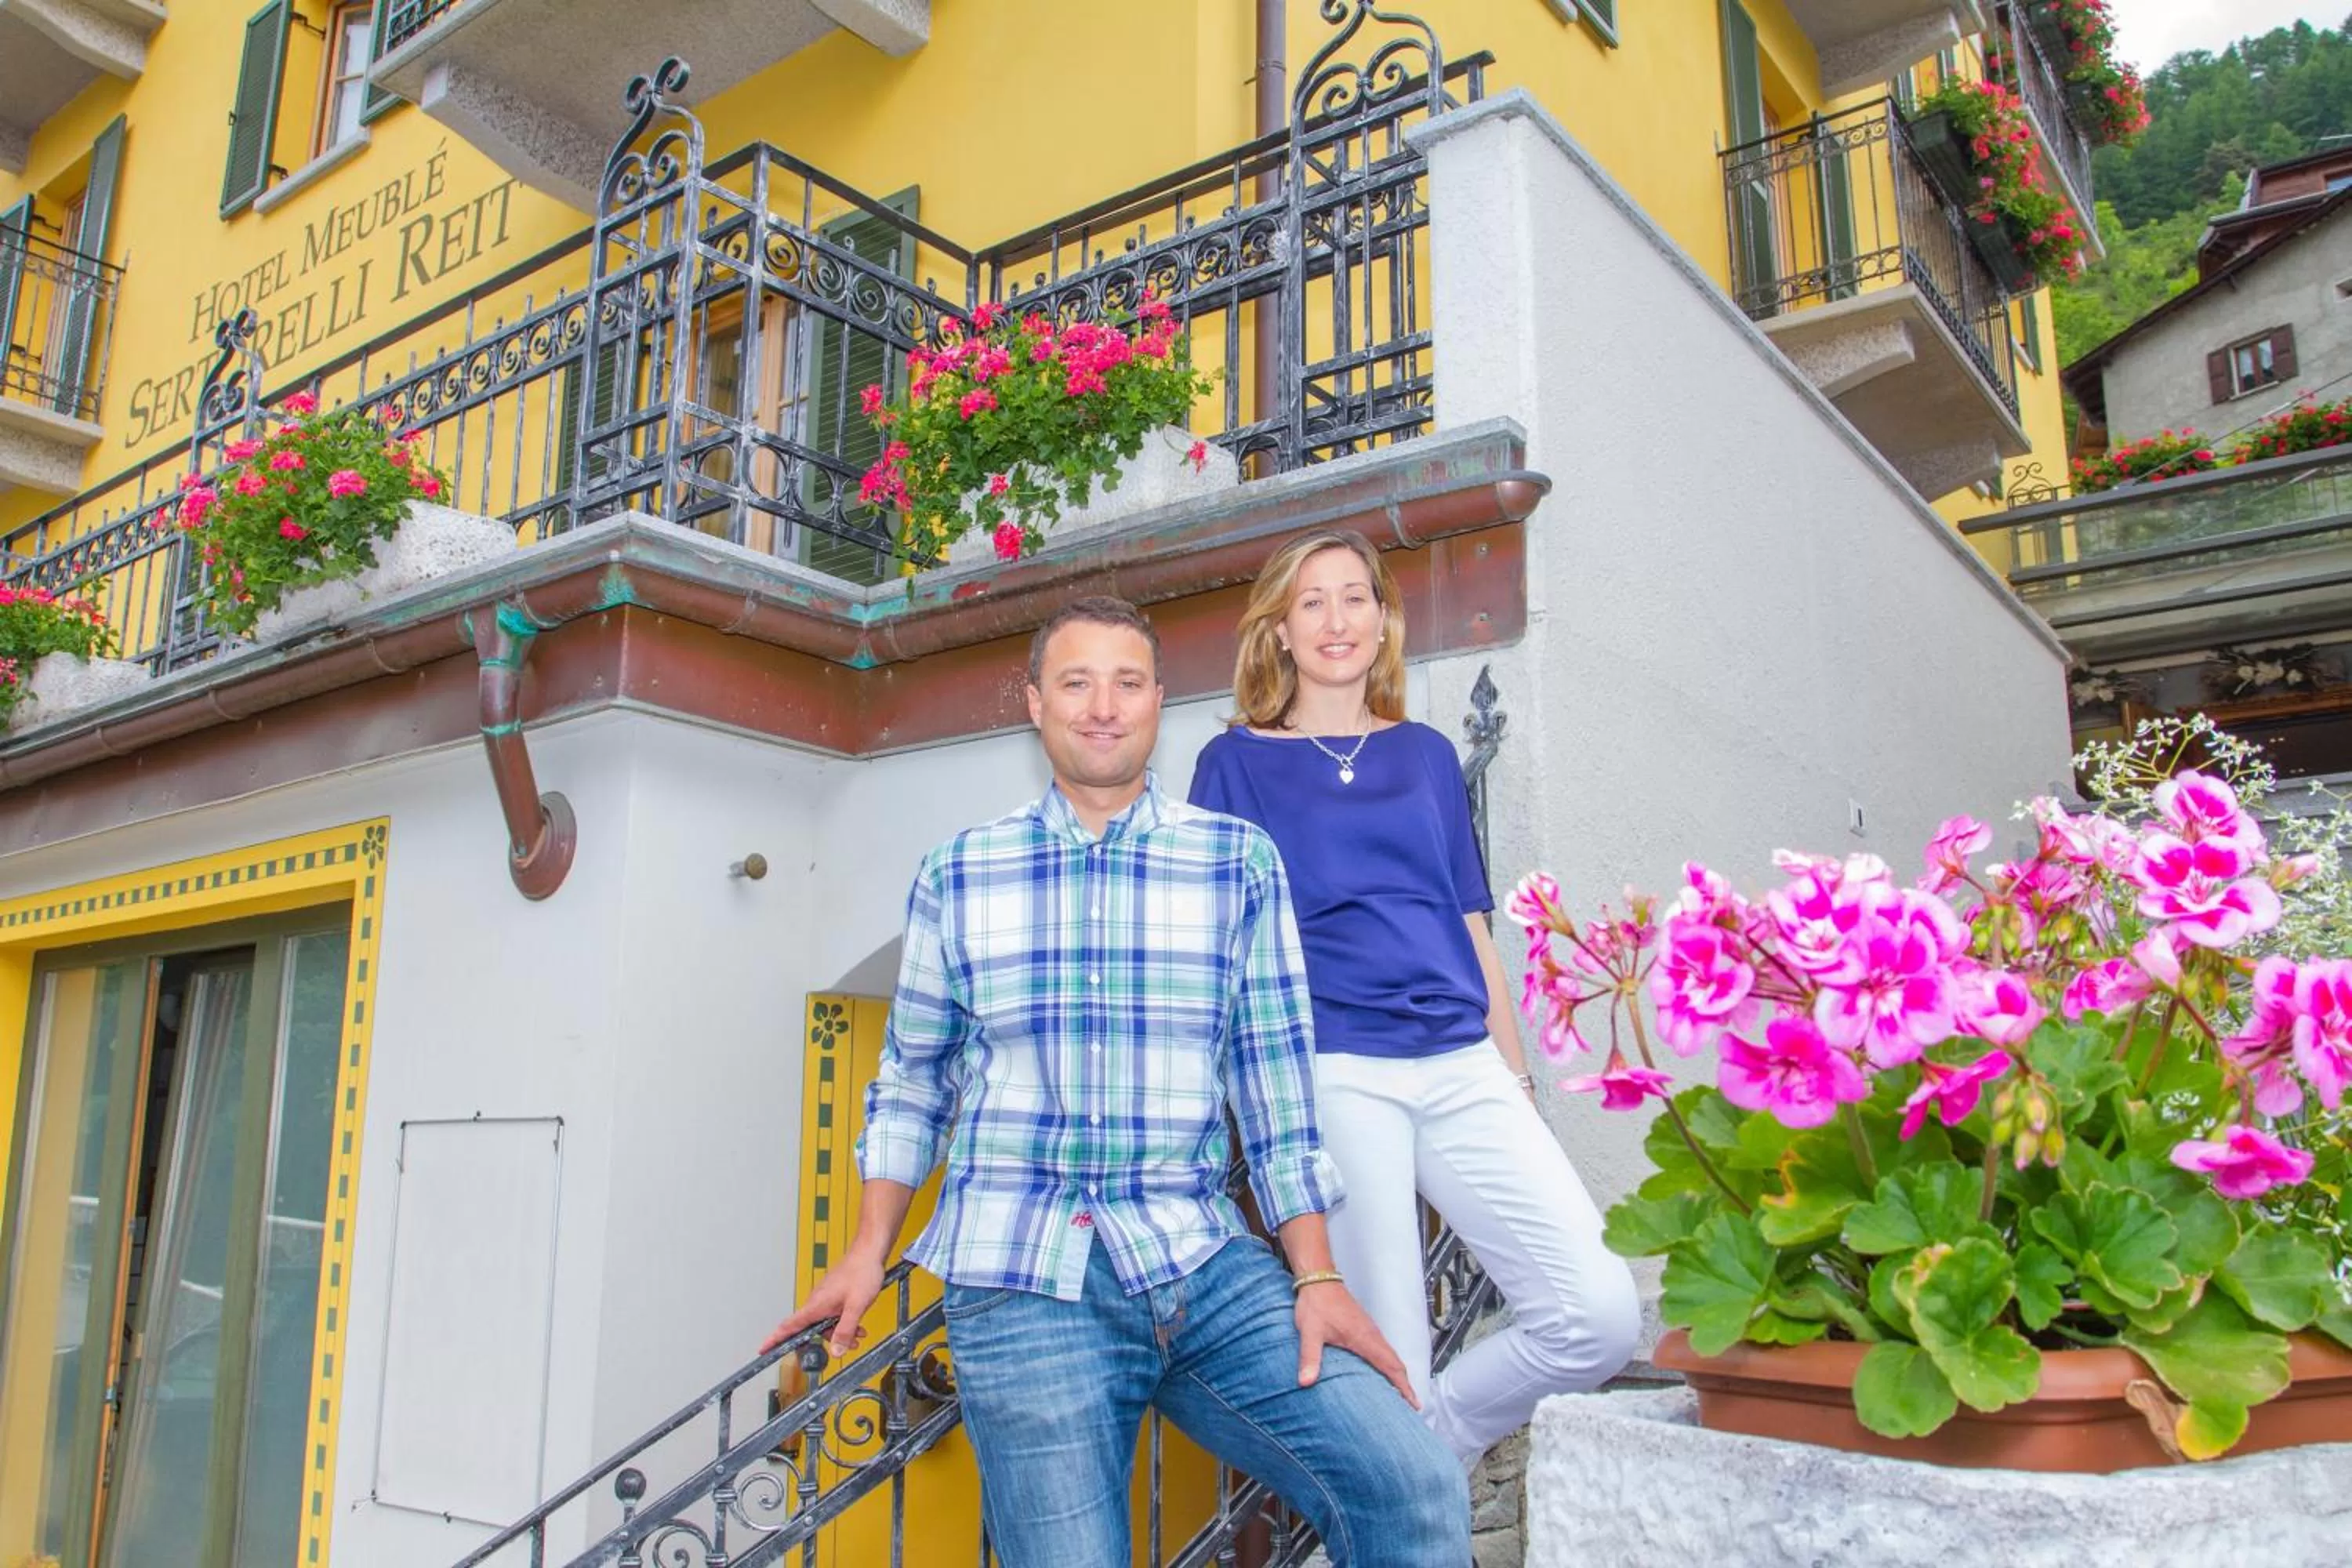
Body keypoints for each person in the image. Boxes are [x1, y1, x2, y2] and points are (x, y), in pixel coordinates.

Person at [763, 596, 1468, 1567]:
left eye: (1127, 682)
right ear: (1034, 702)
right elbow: (914, 1079)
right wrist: (864, 1249)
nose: (1103, 705)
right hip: (1023, 1279)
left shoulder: (1236, 862)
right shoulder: (959, 873)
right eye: (1077, 681)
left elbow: (1274, 1087)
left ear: (1158, 701)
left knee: (1410, 1482)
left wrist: (1316, 1274)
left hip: (1201, 1263)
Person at [1188, 532, 1639, 1468]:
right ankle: (1412, 1477)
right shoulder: (1232, 764)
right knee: (1390, 1348)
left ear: (1383, 619)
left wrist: (1516, 1077)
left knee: (1597, 1314)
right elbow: (1217, 951)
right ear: (1279, 629)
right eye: (1312, 601)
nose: (1337, 619)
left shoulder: (1429, 755)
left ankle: (1435, 1442)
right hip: (1338, 1068)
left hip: (1461, 1061)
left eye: (1355, 596)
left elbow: (1470, 924)